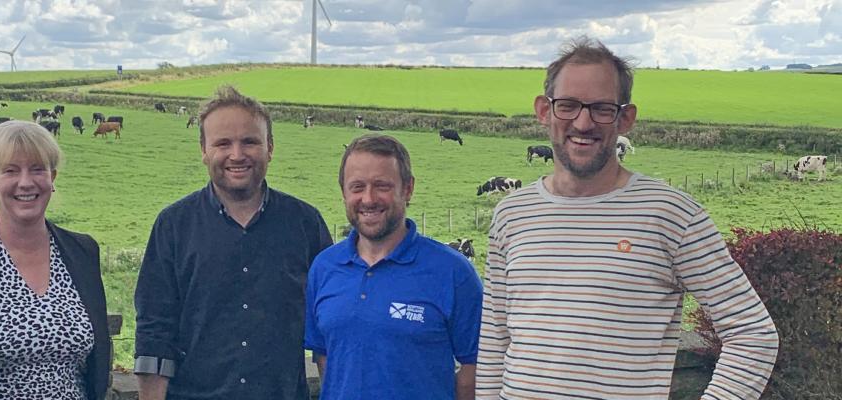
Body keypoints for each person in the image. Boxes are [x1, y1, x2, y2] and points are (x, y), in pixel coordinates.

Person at [475, 36, 779, 399]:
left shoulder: (671, 215)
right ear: (544, 110)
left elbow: (753, 334)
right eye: (568, 105)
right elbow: (495, 340)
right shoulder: (511, 213)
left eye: (602, 108)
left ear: (626, 118)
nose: (583, 123)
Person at [133, 85, 333, 400]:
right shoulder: (173, 226)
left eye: (249, 142)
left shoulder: (305, 224)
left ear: (270, 147)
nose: (236, 155)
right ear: (203, 150)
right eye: (223, 143)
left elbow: (330, 327)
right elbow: (155, 331)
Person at [0, 121, 110, 400]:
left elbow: (95, 364)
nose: (26, 182)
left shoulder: (82, 252)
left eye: (37, 169)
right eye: (10, 170)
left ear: (52, 177)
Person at [305, 134, 482, 400]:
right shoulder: (324, 267)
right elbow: (325, 355)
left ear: (408, 189)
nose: (368, 198)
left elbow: (475, 367)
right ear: (343, 191)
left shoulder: (453, 272)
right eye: (357, 187)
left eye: (382, 186)